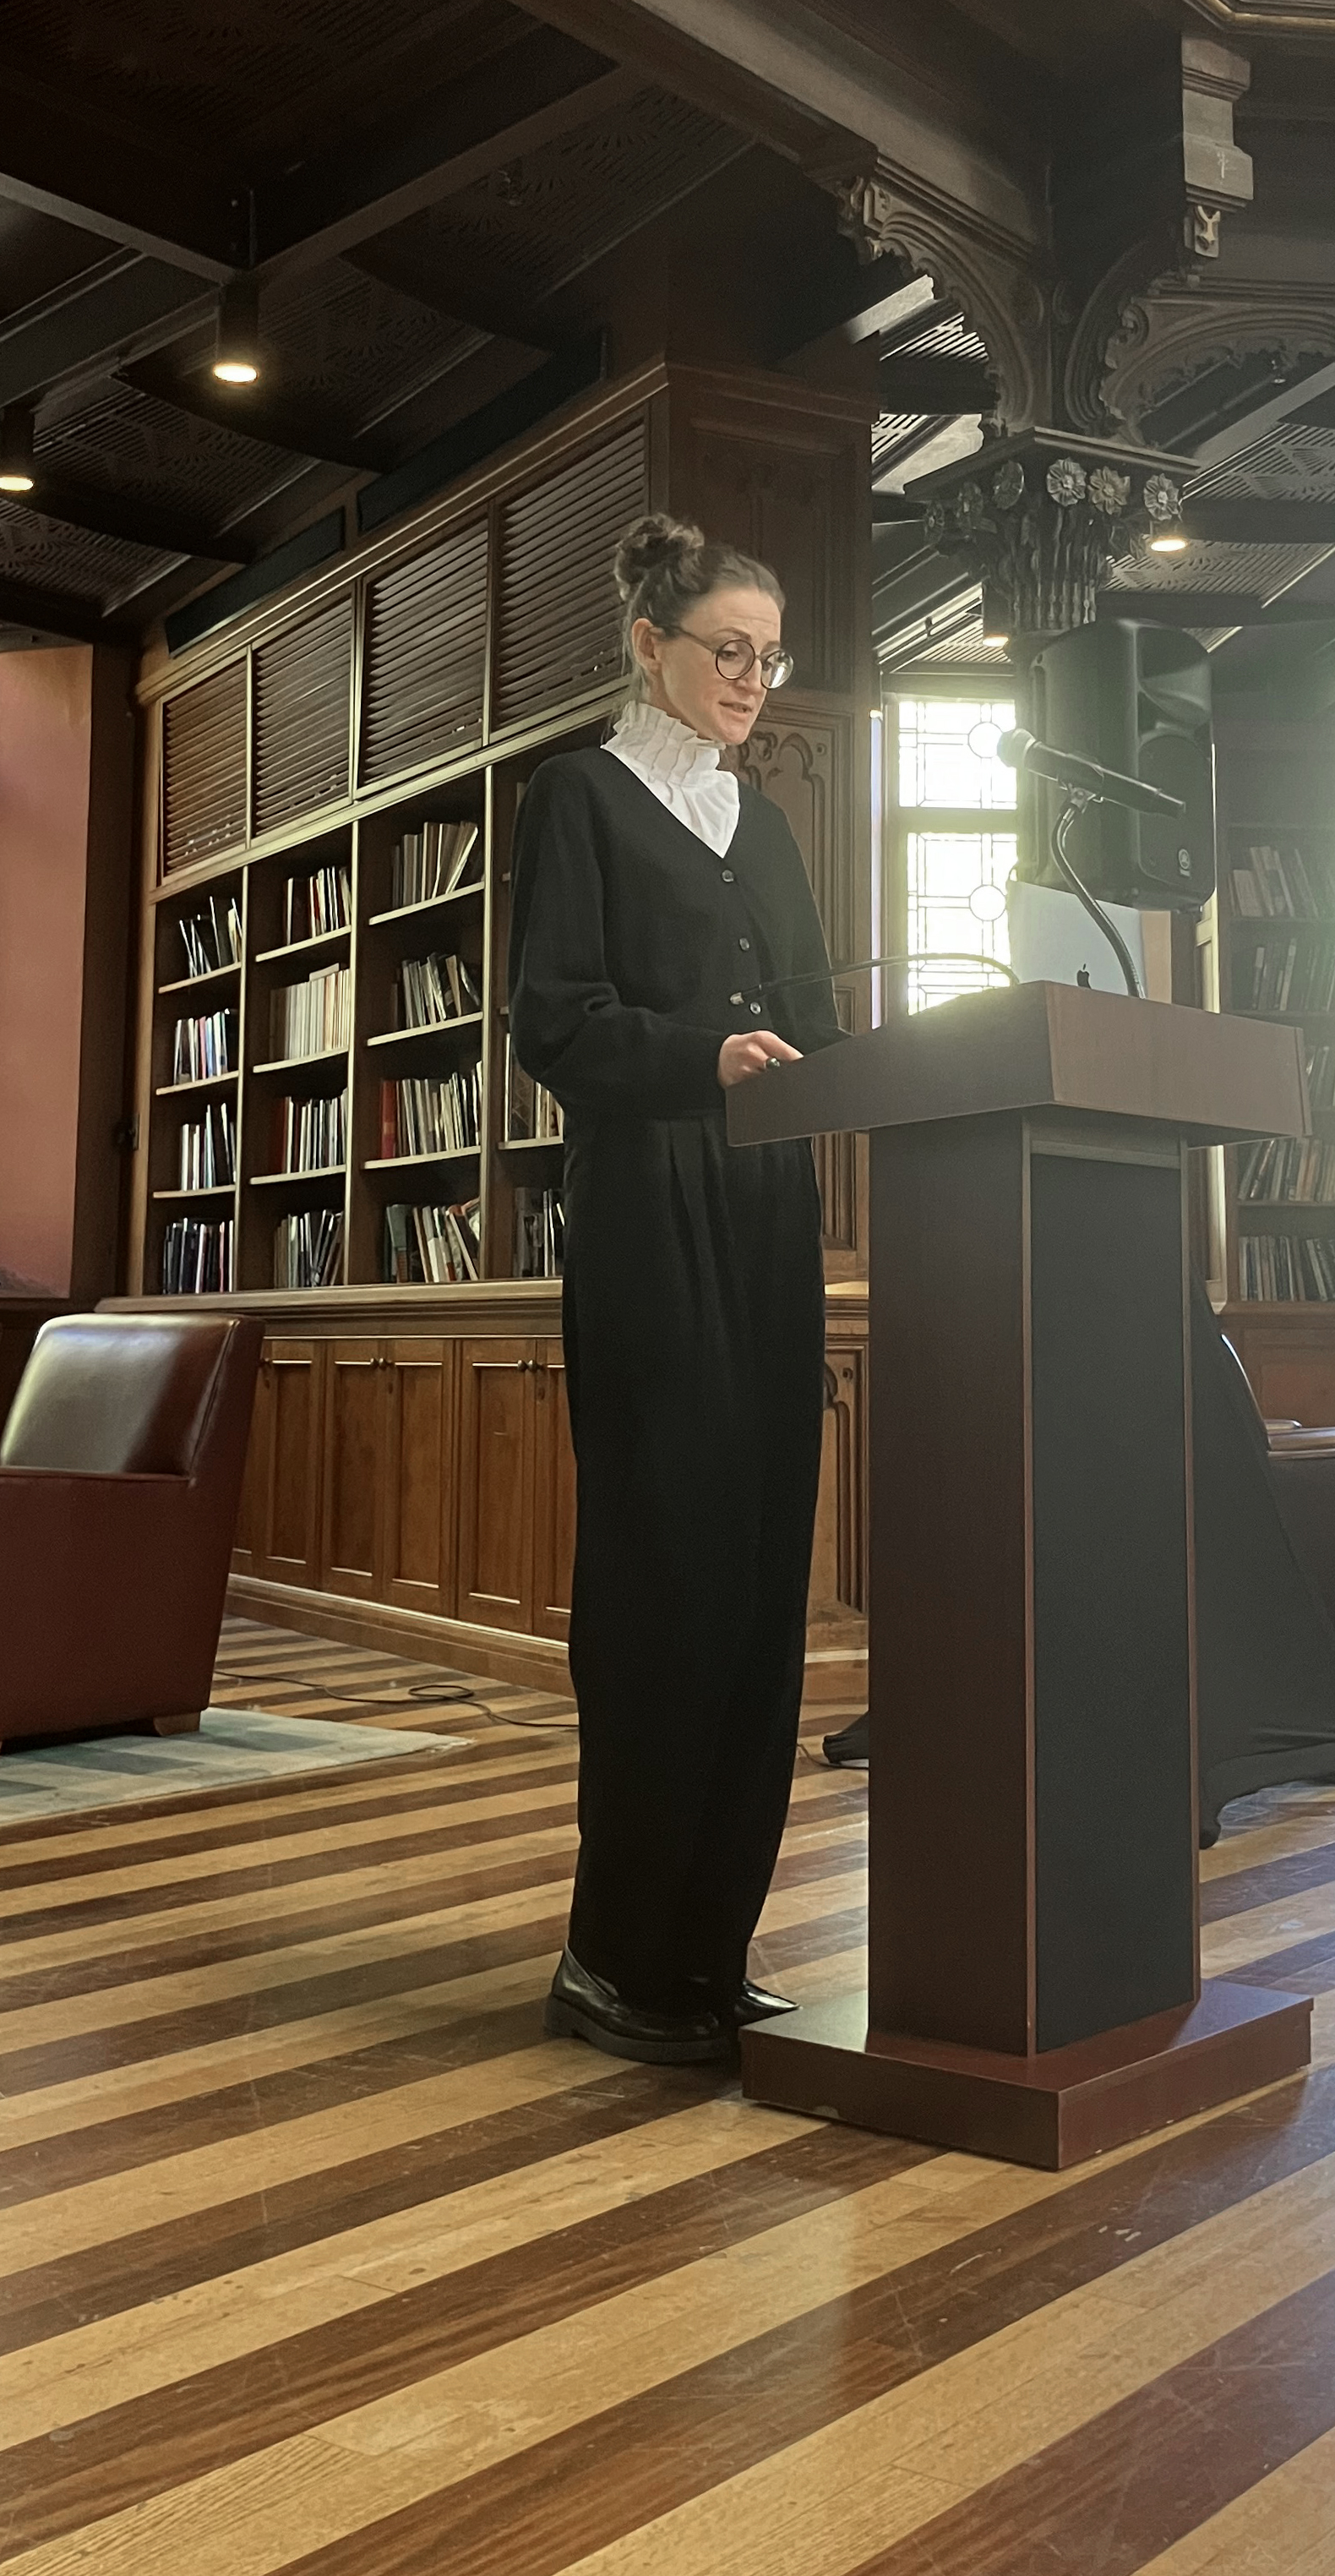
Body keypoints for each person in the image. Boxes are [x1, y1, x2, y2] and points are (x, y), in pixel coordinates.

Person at [508, 511, 840, 2065]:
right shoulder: (575, 797)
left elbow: (821, 1023)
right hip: (648, 1200)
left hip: (771, 1203)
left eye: (772, 660)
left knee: (765, 1573)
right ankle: (613, 1956)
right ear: (652, 644)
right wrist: (696, 1057)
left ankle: (711, 1950)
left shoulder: (762, 825)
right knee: (668, 1572)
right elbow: (556, 1024)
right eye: (731, 650)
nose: (754, 682)